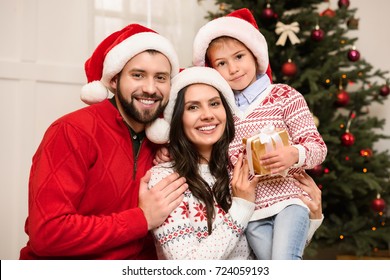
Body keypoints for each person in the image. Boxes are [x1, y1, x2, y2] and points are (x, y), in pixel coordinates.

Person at [19, 23, 188, 260]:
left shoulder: (164, 143)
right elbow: (47, 234)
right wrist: (142, 218)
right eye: (138, 75)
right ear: (114, 81)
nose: (150, 88)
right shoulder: (71, 132)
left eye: (160, 78)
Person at [191, 8, 328, 260]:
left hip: (290, 201)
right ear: (213, 70)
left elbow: (317, 146)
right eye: (222, 63)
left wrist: (294, 154)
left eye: (239, 56)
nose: (233, 68)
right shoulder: (222, 112)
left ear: (255, 55)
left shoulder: (284, 96)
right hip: (251, 213)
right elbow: (205, 149)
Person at [145, 66, 260, 259]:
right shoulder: (165, 178)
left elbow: (271, 250)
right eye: (193, 107)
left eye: (214, 104)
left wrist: (312, 220)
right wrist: (242, 208)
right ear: (177, 118)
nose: (207, 114)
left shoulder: (239, 167)